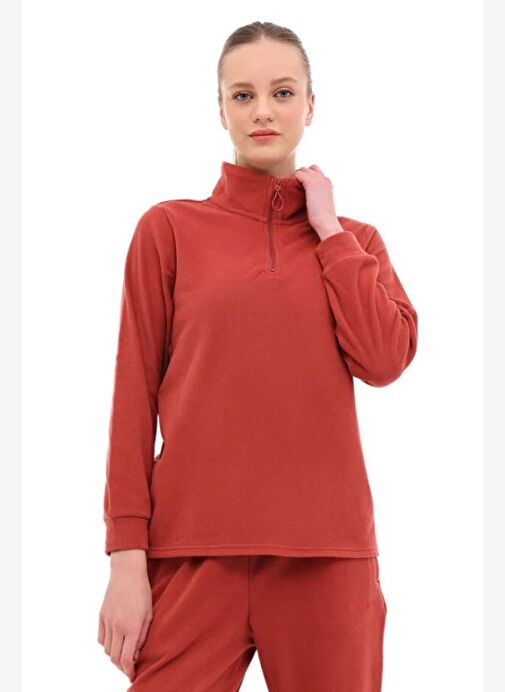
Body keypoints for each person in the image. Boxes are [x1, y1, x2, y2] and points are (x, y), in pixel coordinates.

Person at [97, 20, 418, 692]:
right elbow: (132, 398)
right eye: (242, 95)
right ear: (220, 109)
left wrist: (328, 230)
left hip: (326, 557)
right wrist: (126, 559)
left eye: (282, 92)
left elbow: (385, 359)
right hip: (192, 553)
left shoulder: (355, 241)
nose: (263, 110)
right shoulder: (168, 230)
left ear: (310, 104)